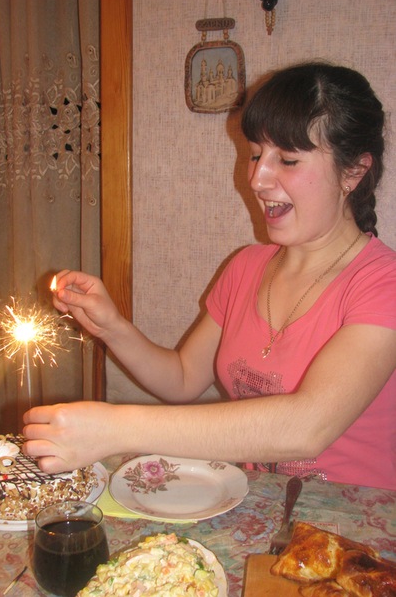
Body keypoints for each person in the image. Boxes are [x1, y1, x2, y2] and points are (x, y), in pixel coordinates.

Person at [23, 62, 396, 491]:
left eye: (288, 160)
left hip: (352, 522)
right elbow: (182, 378)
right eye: (255, 154)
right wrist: (112, 327)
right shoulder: (246, 267)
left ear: (354, 172)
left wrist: (115, 428)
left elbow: (307, 427)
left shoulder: (382, 284)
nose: (257, 178)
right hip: (256, 508)